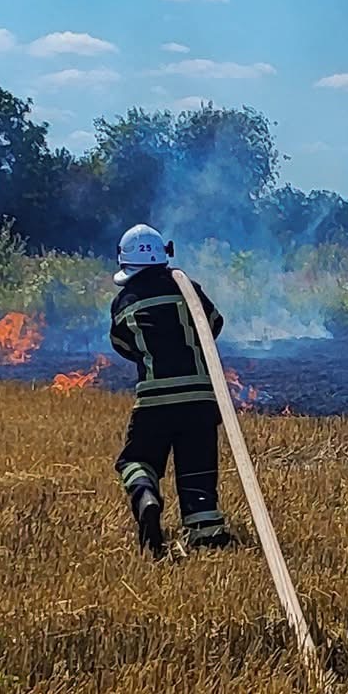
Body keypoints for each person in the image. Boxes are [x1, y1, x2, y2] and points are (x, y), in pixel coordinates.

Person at [108, 224, 235, 558]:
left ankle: (145, 494)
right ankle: (206, 532)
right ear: (164, 253)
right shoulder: (188, 288)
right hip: (199, 399)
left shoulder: (124, 302)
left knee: (136, 459)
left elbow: (122, 345)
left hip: (155, 399)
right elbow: (214, 324)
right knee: (197, 468)